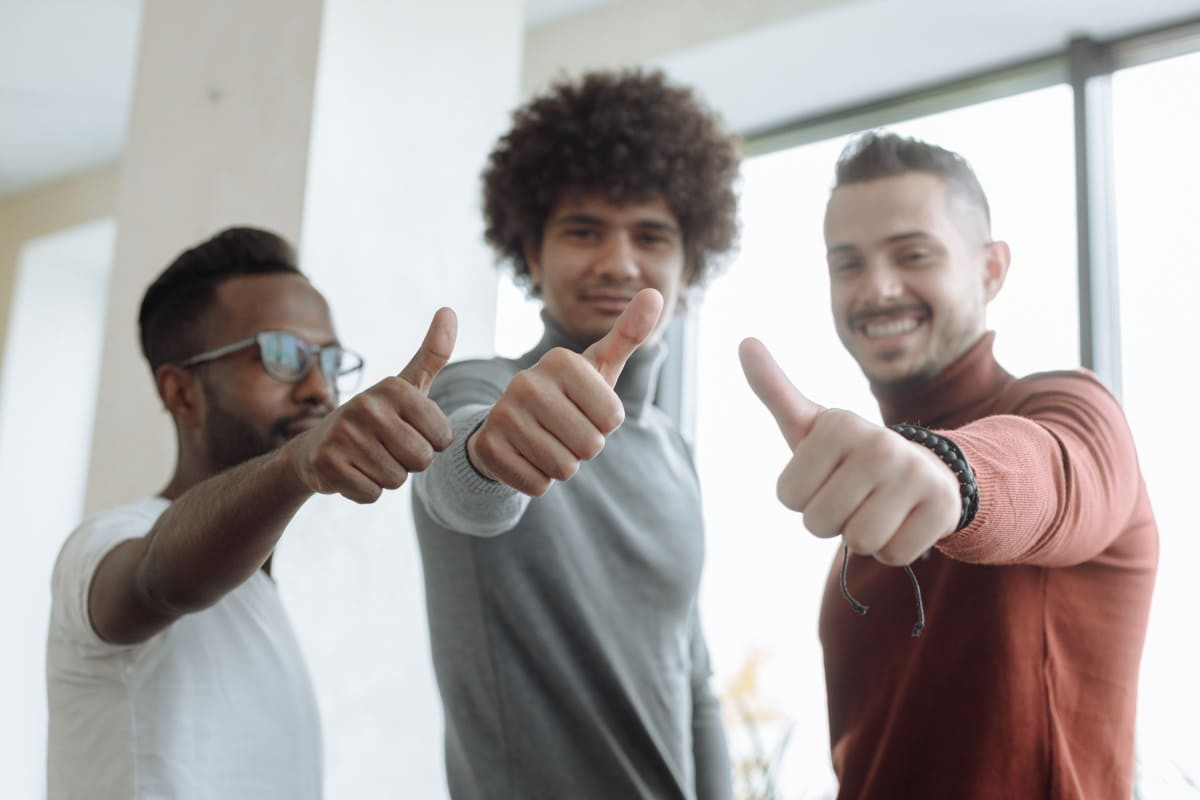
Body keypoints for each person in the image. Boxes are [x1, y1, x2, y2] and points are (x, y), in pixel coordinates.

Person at [739, 132, 1158, 799]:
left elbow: (1049, 475)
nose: (877, 288)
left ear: (991, 270)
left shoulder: (1071, 409)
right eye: (848, 263)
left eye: (913, 254)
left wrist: (952, 474)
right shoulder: (872, 486)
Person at [411, 70, 740, 799]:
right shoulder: (483, 390)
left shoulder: (674, 452)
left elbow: (693, 684)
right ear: (531, 254)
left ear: (690, 267)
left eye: (650, 236)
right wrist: (489, 456)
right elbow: (461, 484)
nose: (618, 261)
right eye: (583, 230)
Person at [46, 227, 457, 799]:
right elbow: (156, 581)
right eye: (281, 355)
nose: (319, 388)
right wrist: (295, 465)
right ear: (182, 393)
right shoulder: (104, 543)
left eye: (329, 360)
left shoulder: (266, 595)